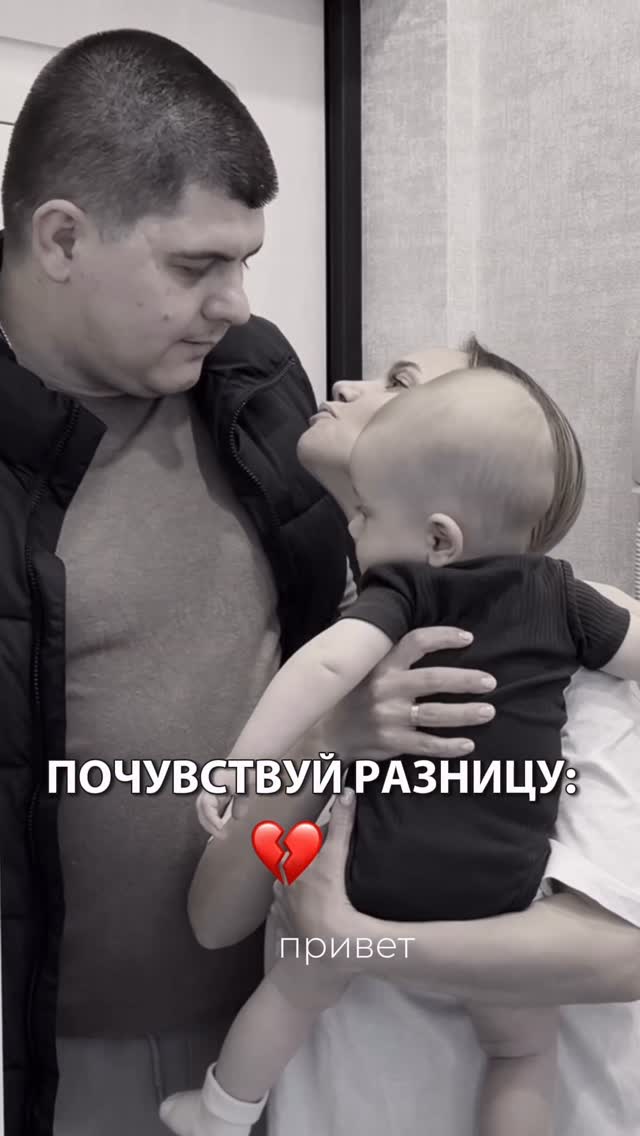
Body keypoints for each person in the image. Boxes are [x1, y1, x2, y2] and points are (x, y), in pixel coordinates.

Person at [0, 30, 505, 1136]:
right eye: (196, 266)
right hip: (53, 1054)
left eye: (244, 261)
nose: (234, 301)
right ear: (62, 238)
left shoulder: (255, 376)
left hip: (298, 1011)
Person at [158, 367, 637, 1136]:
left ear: (442, 527)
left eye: (405, 383)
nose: (354, 383)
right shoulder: (369, 632)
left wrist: (355, 940)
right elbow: (215, 919)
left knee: (303, 989)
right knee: (522, 1049)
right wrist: (329, 740)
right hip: (343, 1099)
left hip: (421, 1024)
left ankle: (219, 1114)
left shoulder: (573, 654)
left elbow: (622, 957)